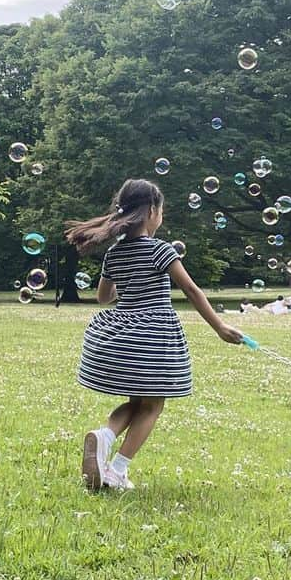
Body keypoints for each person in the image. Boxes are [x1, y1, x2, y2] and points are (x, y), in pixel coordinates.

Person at [67, 178, 242, 492]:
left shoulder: (114, 253)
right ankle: (118, 470)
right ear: (151, 211)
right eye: (161, 210)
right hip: (153, 337)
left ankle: (104, 436)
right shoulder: (161, 250)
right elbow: (190, 289)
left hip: (123, 334)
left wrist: (128, 278)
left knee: (136, 402)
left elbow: (104, 297)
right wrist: (220, 327)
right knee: (153, 405)